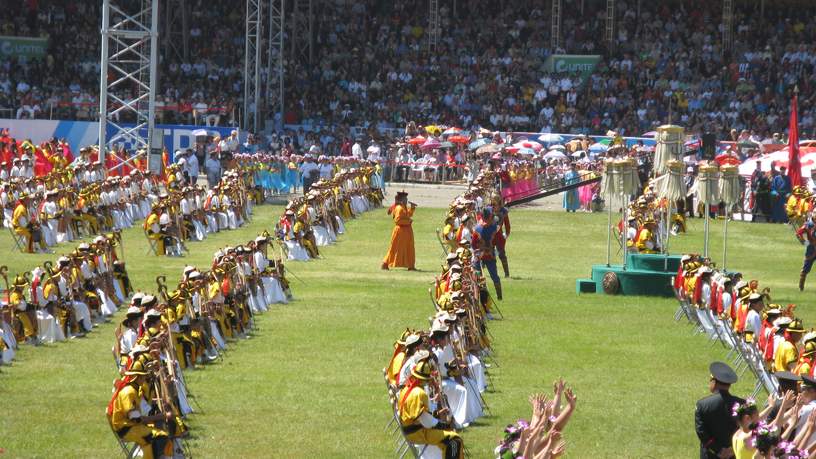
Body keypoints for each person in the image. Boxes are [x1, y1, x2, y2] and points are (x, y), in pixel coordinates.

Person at [397, 359, 464, 459]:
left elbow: (420, 416)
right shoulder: (419, 393)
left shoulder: (407, 388)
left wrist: (436, 415)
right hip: (418, 433)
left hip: (412, 430)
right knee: (454, 439)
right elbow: (426, 421)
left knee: (449, 437)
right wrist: (443, 424)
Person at [695, 361, 744, 459]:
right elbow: (746, 429)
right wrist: (731, 449)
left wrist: (719, 450)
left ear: (714, 382)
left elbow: (702, 432)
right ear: (729, 385)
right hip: (734, 454)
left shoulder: (703, 405)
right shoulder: (742, 404)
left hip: (711, 455)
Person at [382, 191, 416, 271]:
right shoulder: (399, 208)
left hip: (406, 231)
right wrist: (408, 221)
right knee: (394, 248)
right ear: (401, 199)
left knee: (409, 248)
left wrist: (412, 208)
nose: (406, 200)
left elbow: (408, 215)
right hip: (400, 231)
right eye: (405, 198)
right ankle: (385, 263)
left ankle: (411, 265)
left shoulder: (403, 207)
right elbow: (398, 220)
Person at [796, 213, 816, 291]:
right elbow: (798, 233)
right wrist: (804, 242)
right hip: (811, 249)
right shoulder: (808, 225)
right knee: (805, 269)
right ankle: (801, 287)